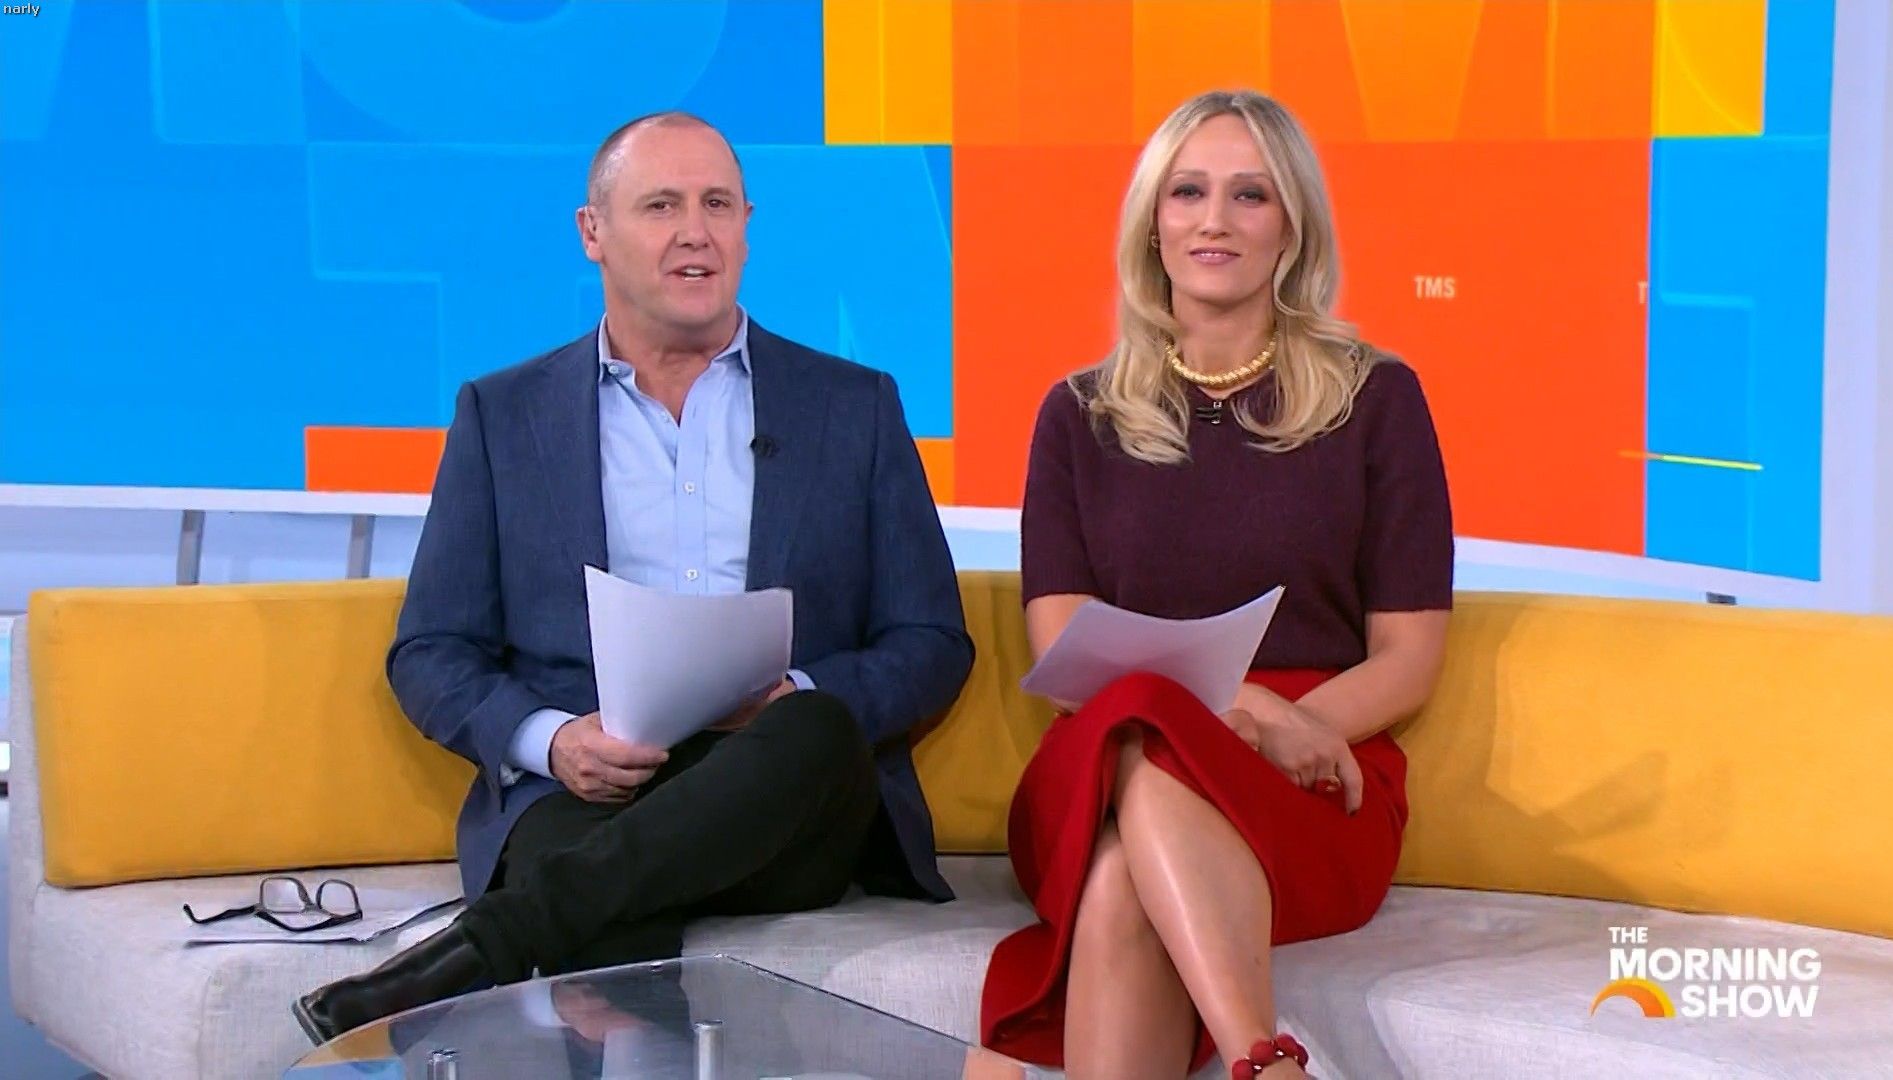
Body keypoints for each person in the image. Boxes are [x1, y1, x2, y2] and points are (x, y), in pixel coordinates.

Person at [294, 111, 974, 1043]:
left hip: (785, 793)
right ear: (593, 232)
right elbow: (432, 650)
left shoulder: (852, 406)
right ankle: (575, 987)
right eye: (661, 206)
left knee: (815, 728)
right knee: (599, 891)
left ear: (746, 227)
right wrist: (551, 741)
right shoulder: (503, 414)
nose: (696, 232)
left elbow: (931, 640)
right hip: (586, 791)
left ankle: (479, 950)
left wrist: (794, 693)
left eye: (718, 205)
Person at [977, 90, 1455, 1079]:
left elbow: (1409, 656)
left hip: (1317, 771)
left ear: (1292, 225)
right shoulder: (1076, 417)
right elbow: (1066, 654)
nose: (1215, 220)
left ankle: (1260, 1061)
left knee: (1122, 880)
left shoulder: (1377, 400)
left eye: (1250, 194)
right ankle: (1264, 1060)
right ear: (1152, 222)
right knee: (1144, 731)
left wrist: (1289, 728)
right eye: (1188, 192)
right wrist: (1246, 709)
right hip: (1107, 751)